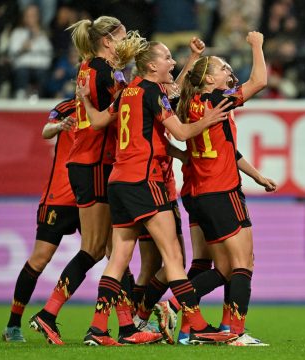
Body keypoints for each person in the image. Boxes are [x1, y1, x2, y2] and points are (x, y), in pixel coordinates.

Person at [77, 32, 237, 346]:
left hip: (118, 182)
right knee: (173, 255)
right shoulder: (152, 92)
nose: (172, 62)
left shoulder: (126, 92)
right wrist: (209, 119)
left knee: (120, 255)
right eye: (167, 58)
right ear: (152, 67)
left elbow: (96, 121)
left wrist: (83, 98)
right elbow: (180, 131)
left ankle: (100, 329)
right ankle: (199, 325)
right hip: (143, 181)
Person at [29, 16, 158, 346]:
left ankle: (125, 326)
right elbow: (107, 117)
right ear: (106, 40)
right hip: (96, 164)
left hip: (87, 162)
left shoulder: (91, 67)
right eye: (121, 36)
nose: (126, 41)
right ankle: (49, 314)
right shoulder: (104, 70)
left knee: (114, 249)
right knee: (96, 248)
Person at [162, 30, 269, 346]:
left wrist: (257, 176)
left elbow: (225, 148)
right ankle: (234, 332)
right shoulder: (217, 100)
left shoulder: (186, 103)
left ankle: (173, 305)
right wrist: (256, 45)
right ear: (208, 79)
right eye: (221, 68)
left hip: (199, 192)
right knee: (243, 263)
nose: (227, 71)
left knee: (221, 267)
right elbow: (259, 81)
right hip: (222, 190)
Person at [1, 98, 78, 343]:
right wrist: (59, 126)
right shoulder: (68, 107)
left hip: (93, 197)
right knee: (40, 258)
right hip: (59, 196)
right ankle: (13, 324)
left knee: (110, 254)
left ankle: (124, 324)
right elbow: (46, 130)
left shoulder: (111, 108)